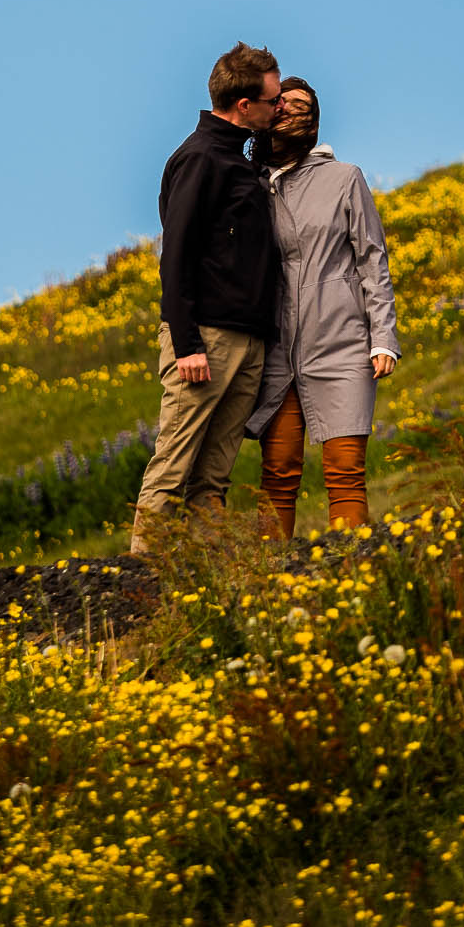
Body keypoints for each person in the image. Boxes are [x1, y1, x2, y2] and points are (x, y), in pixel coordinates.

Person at [129, 42, 284, 553]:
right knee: (173, 467)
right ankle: (140, 579)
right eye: (273, 101)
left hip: (247, 338)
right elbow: (176, 255)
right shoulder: (199, 159)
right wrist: (187, 343)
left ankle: (206, 578)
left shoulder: (238, 158)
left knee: (213, 476)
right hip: (206, 340)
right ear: (245, 105)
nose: (279, 108)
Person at [248, 77, 401, 537]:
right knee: (277, 473)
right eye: (283, 103)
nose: (292, 111)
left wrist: (383, 338)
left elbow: (372, 258)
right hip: (276, 353)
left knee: (345, 470)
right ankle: (269, 573)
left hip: (342, 345)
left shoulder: (344, 178)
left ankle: (351, 570)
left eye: (303, 105)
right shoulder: (251, 184)